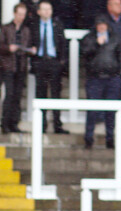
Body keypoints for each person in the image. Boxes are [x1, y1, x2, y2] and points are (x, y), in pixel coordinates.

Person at [81, 15, 121, 149]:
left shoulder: (115, 38)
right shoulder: (89, 38)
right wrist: (96, 44)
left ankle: (110, 139)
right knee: (92, 111)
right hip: (95, 78)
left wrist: (117, 73)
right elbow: (84, 53)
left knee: (110, 112)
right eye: (99, 24)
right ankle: (88, 138)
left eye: (104, 24)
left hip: (112, 78)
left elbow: (120, 56)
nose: (102, 26)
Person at [30, 0, 68, 134]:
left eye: (49, 9)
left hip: (54, 62)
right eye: (44, 9)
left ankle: (57, 125)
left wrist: (61, 62)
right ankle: (41, 125)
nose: (47, 12)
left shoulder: (57, 24)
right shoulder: (33, 25)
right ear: (38, 11)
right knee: (41, 94)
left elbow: (63, 44)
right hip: (40, 62)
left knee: (56, 94)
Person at [0, 4, 36, 134]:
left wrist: (31, 50)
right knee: (9, 94)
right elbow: (1, 46)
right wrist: (8, 48)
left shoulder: (26, 30)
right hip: (8, 66)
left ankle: (14, 123)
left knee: (17, 96)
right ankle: (5, 123)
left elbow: (28, 46)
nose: (21, 17)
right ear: (14, 13)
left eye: (23, 14)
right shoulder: (5, 28)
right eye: (19, 14)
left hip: (21, 66)